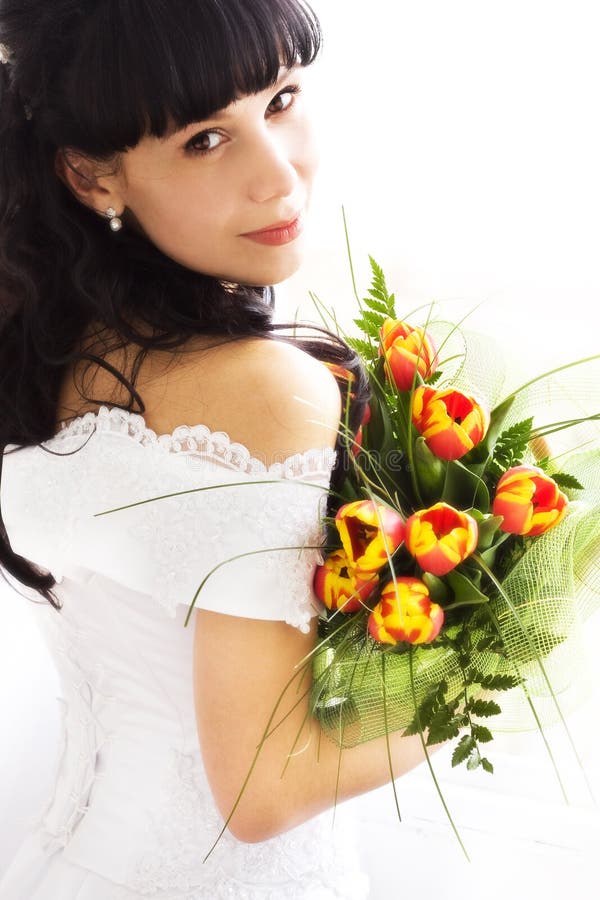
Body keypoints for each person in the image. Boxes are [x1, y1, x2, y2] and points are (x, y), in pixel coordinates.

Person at [0, 1, 428, 896]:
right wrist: (475, 657)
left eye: (281, 99)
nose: (278, 179)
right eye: (204, 139)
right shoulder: (262, 393)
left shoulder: (53, 350)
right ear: (91, 176)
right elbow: (267, 789)